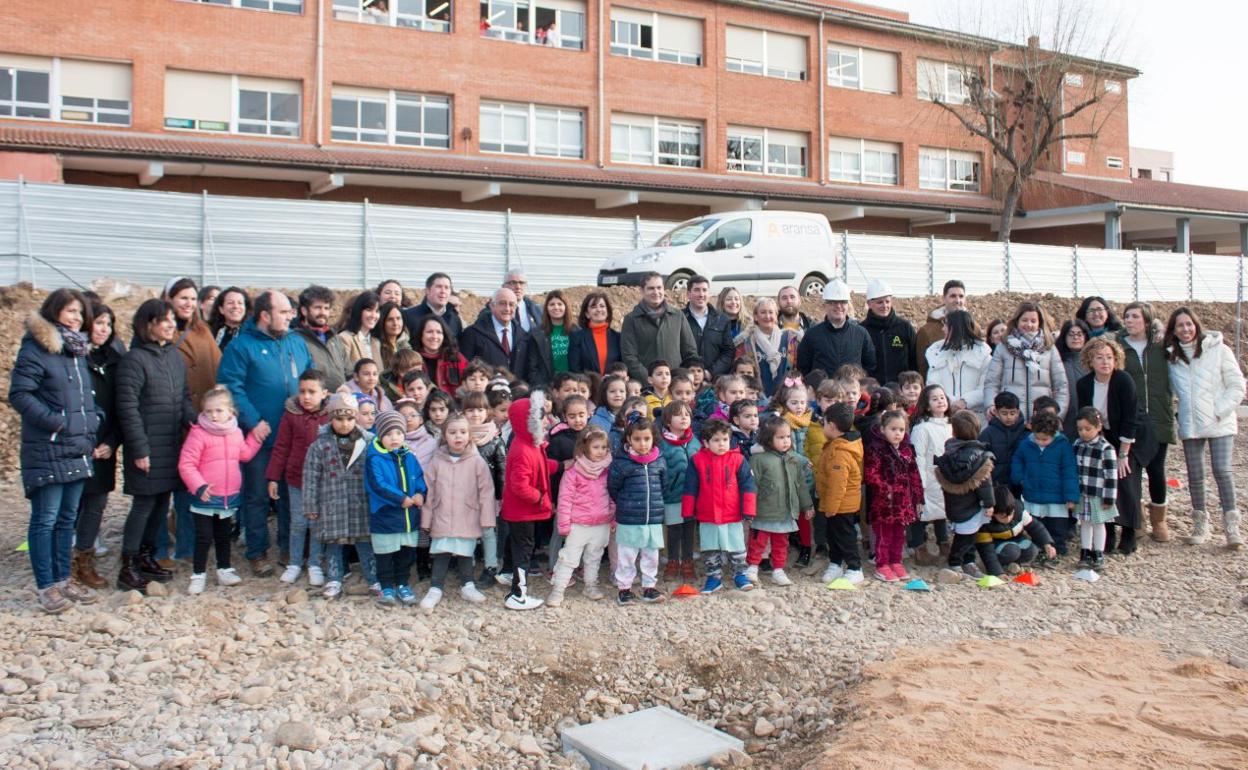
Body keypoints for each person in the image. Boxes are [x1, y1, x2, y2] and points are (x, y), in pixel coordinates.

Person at [10, 288, 102, 612]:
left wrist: (94, 418)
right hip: (48, 447)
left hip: (77, 445)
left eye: (80, 313)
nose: (76, 318)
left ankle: (63, 579)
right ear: (54, 312)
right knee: (45, 519)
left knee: (66, 519)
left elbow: (82, 398)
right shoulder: (36, 349)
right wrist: (56, 422)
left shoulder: (76, 352)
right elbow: (20, 395)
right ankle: (46, 586)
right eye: (70, 311)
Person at [216, 290, 313, 577]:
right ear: (265, 315)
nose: (290, 316)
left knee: (288, 493)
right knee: (257, 495)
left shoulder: (296, 342)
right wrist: (253, 420)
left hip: (293, 435)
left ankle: (287, 545)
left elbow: (310, 375)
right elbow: (230, 386)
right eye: (284, 312)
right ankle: (257, 551)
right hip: (259, 436)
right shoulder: (241, 347)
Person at [115, 299, 198, 593]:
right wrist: (139, 449)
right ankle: (128, 565)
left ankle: (147, 558)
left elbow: (183, 400)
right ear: (147, 324)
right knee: (143, 505)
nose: (171, 324)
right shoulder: (134, 360)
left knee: (162, 504)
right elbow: (127, 408)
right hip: (147, 447)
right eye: (164, 320)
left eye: (173, 319)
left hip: (170, 445)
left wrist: (198, 424)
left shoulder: (173, 358)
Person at [1165, 307, 1246, 549]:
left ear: (1197, 325)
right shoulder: (1172, 358)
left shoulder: (1220, 350)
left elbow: (1237, 385)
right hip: (1191, 424)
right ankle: (1200, 523)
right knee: (1195, 475)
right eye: (1180, 325)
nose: (1186, 329)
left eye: (1189, 324)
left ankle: (1232, 526)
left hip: (1220, 422)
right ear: (1174, 330)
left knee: (1222, 471)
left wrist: (1219, 410)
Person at [177, 385, 263, 595]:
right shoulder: (198, 434)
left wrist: (256, 437)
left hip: (228, 496)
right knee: (204, 537)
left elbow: (244, 454)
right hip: (205, 497)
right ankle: (198, 574)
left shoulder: (235, 433)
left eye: (218, 411)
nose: (213, 416)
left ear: (231, 412)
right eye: (208, 411)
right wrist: (199, 486)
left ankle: (224, 569)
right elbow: (186, 464)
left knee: (224, 535)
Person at [164, 277, 224, 563]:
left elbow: (216, 368)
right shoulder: (161, 331)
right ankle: (163, 546)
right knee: (171, 486)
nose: (187, 304)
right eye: (181, 298)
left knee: (193, 486)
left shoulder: (203, 332)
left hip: (201, 420)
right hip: (169, 421)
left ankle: (188, 546)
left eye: (191, 298)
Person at [1075, 336, 1153, 556]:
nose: (1105, 362)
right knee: (1101, 481)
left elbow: (1130, 417)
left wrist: (1122, 455)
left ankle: (1129, 533)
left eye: (1109, 357)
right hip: (1103, 435)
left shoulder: (1123, 380)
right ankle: (1106, 532)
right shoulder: (1084, 384)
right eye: (1099, 357)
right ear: (1090, 360)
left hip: (1132, 436)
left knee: (1126, 481)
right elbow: (1087, 416)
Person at [302, 392, 377, 599]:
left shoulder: (369, 443)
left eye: (350, 418)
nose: (345, 424)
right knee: (333, 544)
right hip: (332, 503)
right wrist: (310, 505)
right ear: (330, 418)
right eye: (339, 419)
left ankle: (373, 578)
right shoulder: (319, 445)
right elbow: (311, 476)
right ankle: (334, 579)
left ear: (356, 418)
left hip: (360, 503)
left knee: (365, 542)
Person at [418, 413, 493, 610]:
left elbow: (486, 492)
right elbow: (429, 492)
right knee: (441, 551)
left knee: (465, 552)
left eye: (462, 432)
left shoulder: (477, 461)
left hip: (467, 514)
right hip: (441, 514)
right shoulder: (437, 461)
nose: (458, 436)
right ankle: (435, 587)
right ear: (445, 435)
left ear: (469, 435)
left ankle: (467, 585)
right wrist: (426, 520)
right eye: (452, 432)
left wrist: (487, 519)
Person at [72, 302, 123, 590]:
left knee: (95, 505)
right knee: (68, 507)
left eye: (108, 324)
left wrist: (111, 442)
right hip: (75, 444)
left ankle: (84, 560)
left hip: (104, 445)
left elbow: (120, 407)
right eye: (98, 323)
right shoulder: (72, 358)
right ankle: (61, 564)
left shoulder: (114, 360)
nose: (103, 329)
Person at [1116, 302, 1175, 542]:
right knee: (1133, 472)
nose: (1129, 321)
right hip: (1133, 418)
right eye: (1126, 317)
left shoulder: (1162, 347)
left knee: (1156, 470)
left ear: (1147, 321)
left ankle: (1159, 520)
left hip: (1159, 416)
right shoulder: (1120, 348)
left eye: (1134, 317)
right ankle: (1136, 518)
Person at [267, 369, 330, 587]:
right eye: (302, 391)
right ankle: (294, 562)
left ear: (324, 393)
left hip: (322, 481)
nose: (306, 396)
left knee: (316, 523)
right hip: (296, 478)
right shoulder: (291, 414)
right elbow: (282, 446)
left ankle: (314, 563)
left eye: (312, 391)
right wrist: (273, 477)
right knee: (298, 522)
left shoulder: (329, 415)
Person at [683, 418, 758, 593]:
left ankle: (739, 575)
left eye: (725, 439)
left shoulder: (738, 460)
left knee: (737, 546)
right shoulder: (697, 461)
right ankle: (713, 577)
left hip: (732, 514)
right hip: (707, 514)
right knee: (710, 548)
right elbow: (690, 487)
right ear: (706, 443)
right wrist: (688, 511)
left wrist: (748, 510)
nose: (721, 444)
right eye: (716, 440)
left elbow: (748, 485)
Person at [500, 394, 557, 609]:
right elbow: (520, 486)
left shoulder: (528, 443)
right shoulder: (524, 449)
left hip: (519, 511)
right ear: (529, 421)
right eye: (541, 417)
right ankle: (518, 594)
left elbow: (540, 466)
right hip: (523, 511)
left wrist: (560, 466)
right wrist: (542, 500)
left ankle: (506, 572)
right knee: (524, 549)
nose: (546, 421)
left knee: (515, 542)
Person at [365, 410, 426, 606]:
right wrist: (400, 498)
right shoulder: (375, 458)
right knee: (384, 554)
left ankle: (402, 583)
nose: (395, 438)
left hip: (409, 518)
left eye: (399, 433)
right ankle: (386, 587)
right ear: (380, 435)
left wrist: (420, 494)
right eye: (389, 434)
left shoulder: (409, 456)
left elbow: (419, 477)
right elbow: (377, 485)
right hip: (385, 516)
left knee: (405, 554)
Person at [548, 426, 614, 606]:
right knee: (568, 558)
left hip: (601, 522)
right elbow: (564, 499)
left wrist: (613, 517)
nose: (600, 452)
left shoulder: (608, 470)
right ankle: (558, 589)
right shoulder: (573, 472)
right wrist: (563, 524)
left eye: (604, 447)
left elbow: (613, 495)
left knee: (594, 557)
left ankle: (590, 585)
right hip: (578, 524)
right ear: (584, 448)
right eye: (596, 447)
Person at [746, 417, 815, 587]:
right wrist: (748, 509)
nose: (786, 441)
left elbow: (800, 485)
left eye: (788, 437)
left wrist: (807, 505)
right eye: (780, 437)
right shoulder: (758, 459)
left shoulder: (793, 459)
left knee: (781, 542)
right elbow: (751, 486)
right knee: (758, 540)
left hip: (786, 510)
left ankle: (778, 570)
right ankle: (752, 567)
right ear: (769, 440)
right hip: (764, 510)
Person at [608, 415, 668, 605]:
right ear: (628, 439)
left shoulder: (659, 461)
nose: (642, 443)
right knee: (626, 556)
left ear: (653, 438)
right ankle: (624, 589)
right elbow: (613, 488)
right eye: (637, 439)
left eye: (646, 439)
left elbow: (663, 485)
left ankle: (649, 587)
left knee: (651, 555)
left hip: (653, 518)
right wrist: (626, 504)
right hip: (629, 519)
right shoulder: (621, 462)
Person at [934, 410, 995, 581]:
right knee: (967, 538)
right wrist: (989, 504)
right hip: (972, 505)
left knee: (965, 535)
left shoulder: (948, 454)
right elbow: (985, 484)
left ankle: (968, 562)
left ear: (953, 432)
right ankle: (956, 561)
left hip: (954, 504)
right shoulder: (980, 458)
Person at [863, 409, 923, 582]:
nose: (897, 433)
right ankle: (882, 565)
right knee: (883, 535)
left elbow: (914, 474)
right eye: (893, 429)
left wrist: (918, 497)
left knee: (899, 535)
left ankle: (896, 561)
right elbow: (871, 474)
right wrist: (886, 490)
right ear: (883, 429)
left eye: (901, 430)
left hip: (903, 502)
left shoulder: (907, 449)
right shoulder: (876, 449)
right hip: (884, 503)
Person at [983, 301, 1068, 421]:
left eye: (1033, 321)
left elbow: (1061, 386)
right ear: (1017, 321)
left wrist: (1057, 415)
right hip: (1010, 419)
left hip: (1042, 420)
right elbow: (992, 382)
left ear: (1039, 323)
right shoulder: (1004, 347)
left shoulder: (1049, 348)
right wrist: (991, 405)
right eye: (1024, 320)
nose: (1029, 324)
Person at [1011, 411, 1078, 557]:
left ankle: (1058, 550)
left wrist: (1071, 496)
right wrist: (1020, 478)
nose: (1040, 442)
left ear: (1054, 433)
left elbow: (1070, 471)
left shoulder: (1063, 445)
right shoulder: (1026, 443)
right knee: (1037, 525)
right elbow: (1017, 461)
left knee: (1057, 526)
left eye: (1045, 439)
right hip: (1033, 493)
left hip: (1057, 497)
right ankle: (1039, 550)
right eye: (1038, 438)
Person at [771, 379, 818, 566]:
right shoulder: (782, 422)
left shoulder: (811, 421)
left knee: (805, 514)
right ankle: (788, 545)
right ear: (785, 403)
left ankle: (806, 548)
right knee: (788, 512)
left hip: (807, 477)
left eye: (802, 402)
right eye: (794, 402)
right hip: (788, 473)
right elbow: (785, 449)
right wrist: (803, 460)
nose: (799, 407)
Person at [816, 402, 865, 585]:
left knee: (845, 537)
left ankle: (854, 567)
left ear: (832, 426)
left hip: (841, 505)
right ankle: (835, 564)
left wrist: (831, 507)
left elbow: (838, 484)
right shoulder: (835, 445)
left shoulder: (840, 452)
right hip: (834, 503)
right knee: (832, 535)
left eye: (824, 422)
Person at [621, 272, 697, 383]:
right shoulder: (631, 319)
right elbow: (629, 357)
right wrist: (650, 379)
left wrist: (679, 379)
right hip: (646, 387)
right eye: (651, 288)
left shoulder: (677, 316)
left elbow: (690, 351)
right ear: (642, 291)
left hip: (675, 386)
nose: (656, 292)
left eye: (659, 288)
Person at [459, 287, 545, 386]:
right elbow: (464, 369)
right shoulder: (473, 334)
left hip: (517, 395)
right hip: (486, 396)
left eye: (511, 304)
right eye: (502, 303)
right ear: (492, 306)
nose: (507, 309)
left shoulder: (523, 336)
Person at [463, 391, 507, 584]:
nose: (475, 414)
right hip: (463, 494)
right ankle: (467, 565)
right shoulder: (459, 435)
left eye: (480, 409)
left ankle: (490, 567)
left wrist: (501, 495)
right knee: (466, 530)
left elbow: (502, 469)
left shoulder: (495, 439)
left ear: (487, 411)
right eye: (470, 410)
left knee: (488, 531)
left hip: (488, 495)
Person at [909, 385, 952, 565]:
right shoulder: (922, 428)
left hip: (946, 478)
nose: (940, 401)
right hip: (928, 477)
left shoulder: (951, 425)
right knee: (922, 513)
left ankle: (944, 546)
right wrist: (920, 483)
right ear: (927, 405)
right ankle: (920, 548)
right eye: (935, 399)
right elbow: (918, 456)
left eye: (942, 397)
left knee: (942, 512)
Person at [796, 280, 875, 377]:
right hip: (823, 391)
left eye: (843, 302)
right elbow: (803, 367)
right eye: (832, 302)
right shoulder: (812, 334)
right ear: (825, 306)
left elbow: (870, 365)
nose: (838, 306)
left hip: (851, 391)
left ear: (848, 305)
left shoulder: (861, 334)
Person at [1072, 406, 1119, 571]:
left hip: (1098, 494)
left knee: (1099, 524)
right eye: (1080, 429)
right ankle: (1085, 552)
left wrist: (1109, 499)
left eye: (1087, 429)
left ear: (1098, 427)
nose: (1083, 432)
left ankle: (1098, 553)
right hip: (1082, 493)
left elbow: (1111, 476)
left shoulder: (1106, 448)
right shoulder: (1077, 444)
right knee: (1084, 523)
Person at [657, 400, 699, 582]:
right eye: (678, 414)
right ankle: (673, 561)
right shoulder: (662, 444)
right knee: (673, 530)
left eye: (687, 414)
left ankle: (688, 561)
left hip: (693, 496)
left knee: (689, 529)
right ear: (667, 421)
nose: (684, 418)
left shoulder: (695, 442)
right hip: (672, 496)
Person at [924, 309, 992, 419]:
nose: (943, 329)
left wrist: (964, 402)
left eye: (946, 325)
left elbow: (987, 387)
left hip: (976, 419)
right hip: (945, 417)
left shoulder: (983, 355)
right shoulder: (936, 354)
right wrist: (950, 403)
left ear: (956, 327)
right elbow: (933, 384)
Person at [974, 486, 1055, 577]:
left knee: (1032, 550)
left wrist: (1047, 543)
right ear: (993, 512)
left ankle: (1012, 565)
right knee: (1012, 551)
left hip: (1018, 540)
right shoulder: (985, 522)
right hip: (997, 546)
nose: (1008, 519)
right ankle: (996, 567)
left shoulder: (1019, 510)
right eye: (1002, 516)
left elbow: (1036, 527)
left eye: (1011, 514)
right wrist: (998, 573)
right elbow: (986, 550)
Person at [861, 279, 917, 386]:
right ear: (869, 303)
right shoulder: (862, 330)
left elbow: (914, 360)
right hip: (873, 391)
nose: (885, 306)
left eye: (887, 301)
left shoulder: (905, 327)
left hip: (901, 390)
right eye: (879, 302)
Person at [293, 285, 349, 392]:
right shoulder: (296, 339)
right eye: (317, 308)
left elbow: (348, 369)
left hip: (338, 401)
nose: (323, 313)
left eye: (326, 308)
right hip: (313, 404)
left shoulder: (334, 337)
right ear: (304, 311)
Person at [740, 298, 800, 397]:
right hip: (756, 399)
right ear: (755, 316)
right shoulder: (746, 342)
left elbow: (798, 370)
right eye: (763, 312)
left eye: (771, 312)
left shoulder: (791, 340)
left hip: (786, 399)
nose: (767, 316)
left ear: (776, 316)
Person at [683, 276, 735, 377]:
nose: (701, 294)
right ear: (688, 294)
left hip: (714, 381)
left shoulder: (722, 320)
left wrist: (710, 372)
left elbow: (728, 352)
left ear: (709, 293)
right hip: (685, 381)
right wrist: (687, 373)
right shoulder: (679, 318)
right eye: (697, 290)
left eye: (704, 290)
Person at [916, 280, 967, 378]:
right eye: (953, 296)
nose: (958, 300)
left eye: (961, 296)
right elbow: (922, 369)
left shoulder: (974, 328)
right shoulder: (926, 332)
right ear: (944, 298)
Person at [331, 290, 383, 384]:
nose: (374, 315)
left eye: (377, 311)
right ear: (359, 311)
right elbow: (342, 374)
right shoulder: (345, 338)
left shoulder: (376, 342)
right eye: (369, 310)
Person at [567, 292, 620, 376]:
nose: (599, 309)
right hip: (588, 386)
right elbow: (574, 369)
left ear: (607, 311)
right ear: (587, 314)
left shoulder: (618, 337)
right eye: (593, 307)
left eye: (602, 306)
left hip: (613, 387)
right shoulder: (577, 337)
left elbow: (622, 366)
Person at [412, 315, 467, 394]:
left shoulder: (456, 358)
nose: (435, 336)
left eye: (439, 332)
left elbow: (470, 379)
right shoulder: (413, 360)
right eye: (429, 332)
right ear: (421, 335)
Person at [1056, 319, 1092, 437]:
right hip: (1065, 417)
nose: (1075, 338)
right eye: (1071, 334)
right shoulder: (1057, 361)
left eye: (1079, 334)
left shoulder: (1092, 362)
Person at [403, 272, 463, 339]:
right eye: (439, 287)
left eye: (447, 288)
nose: (443, 291)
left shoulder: (455, 319)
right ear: (427, 290)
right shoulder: (408, 316)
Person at [540, 290, 575, 376]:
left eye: (560, 304)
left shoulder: (576, 331)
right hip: (549, 381)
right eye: (552, 304)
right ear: (546, 308)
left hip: (571, 380)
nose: (556, 307)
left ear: (566, 307)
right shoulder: (539, 333)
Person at [209, 287, 250, 353]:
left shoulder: (253, 334)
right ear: (221, 309)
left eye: (240, 303)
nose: (236, 306)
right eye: (230, 303)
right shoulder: (210, 333)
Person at [502, 268, 542, 333]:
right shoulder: (493, 311)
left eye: (521, 283)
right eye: (513, 283)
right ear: (503, 286)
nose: (518, 287)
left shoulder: (537, 310)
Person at [377, 301, 411, 373]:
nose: (395, 323)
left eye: (398, 318)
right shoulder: (377, 346)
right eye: (390, 319)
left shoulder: (405, 344)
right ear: (382, 322)